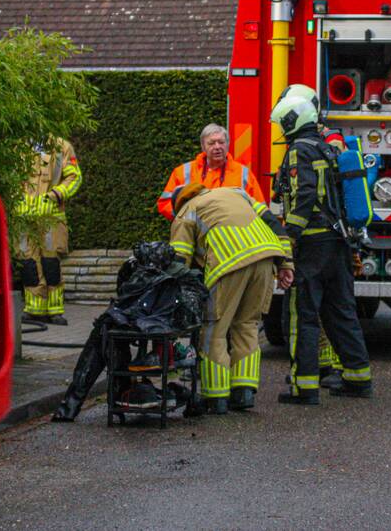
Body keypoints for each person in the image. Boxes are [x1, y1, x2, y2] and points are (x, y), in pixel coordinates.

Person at [270, 84, 372, 405]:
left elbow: (305, 196)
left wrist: (290, 238)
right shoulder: (329, 147)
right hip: (339, 241)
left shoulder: (300, 149)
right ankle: (358, 378)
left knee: (304, 314)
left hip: (313, 246)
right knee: (342, 311)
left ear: (291, 121)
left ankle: (305, 387)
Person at [169, 182, 294, 414]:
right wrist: (286, 263)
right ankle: (243, 391)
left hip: (227, 265)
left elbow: (179, 259)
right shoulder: (237, 194)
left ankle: (216, 398)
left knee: (213, 330)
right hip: (266, 259)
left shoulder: (186, 212)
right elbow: (275, 225)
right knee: (247, 325)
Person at [16, 137, 82, 325]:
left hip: (51, 216)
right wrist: (15, 201)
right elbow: (11, 179)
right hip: (24, 217)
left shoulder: (62, 147)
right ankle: (34, 309)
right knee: (28, 263)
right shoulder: (18, 147)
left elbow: (74, 177)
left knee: (51, 263)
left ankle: (55, 310)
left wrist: (55, 195)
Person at [157, 123, 265, 221]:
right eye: (211, 143)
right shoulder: (182, 172)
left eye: (221, 142)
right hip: (193, 235)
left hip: (232, 236)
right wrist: (187, 219)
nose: (217, 147)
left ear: (228, 145)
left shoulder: (243, 173)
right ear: (203, 147)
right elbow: (164, 203)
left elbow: (259, 207)